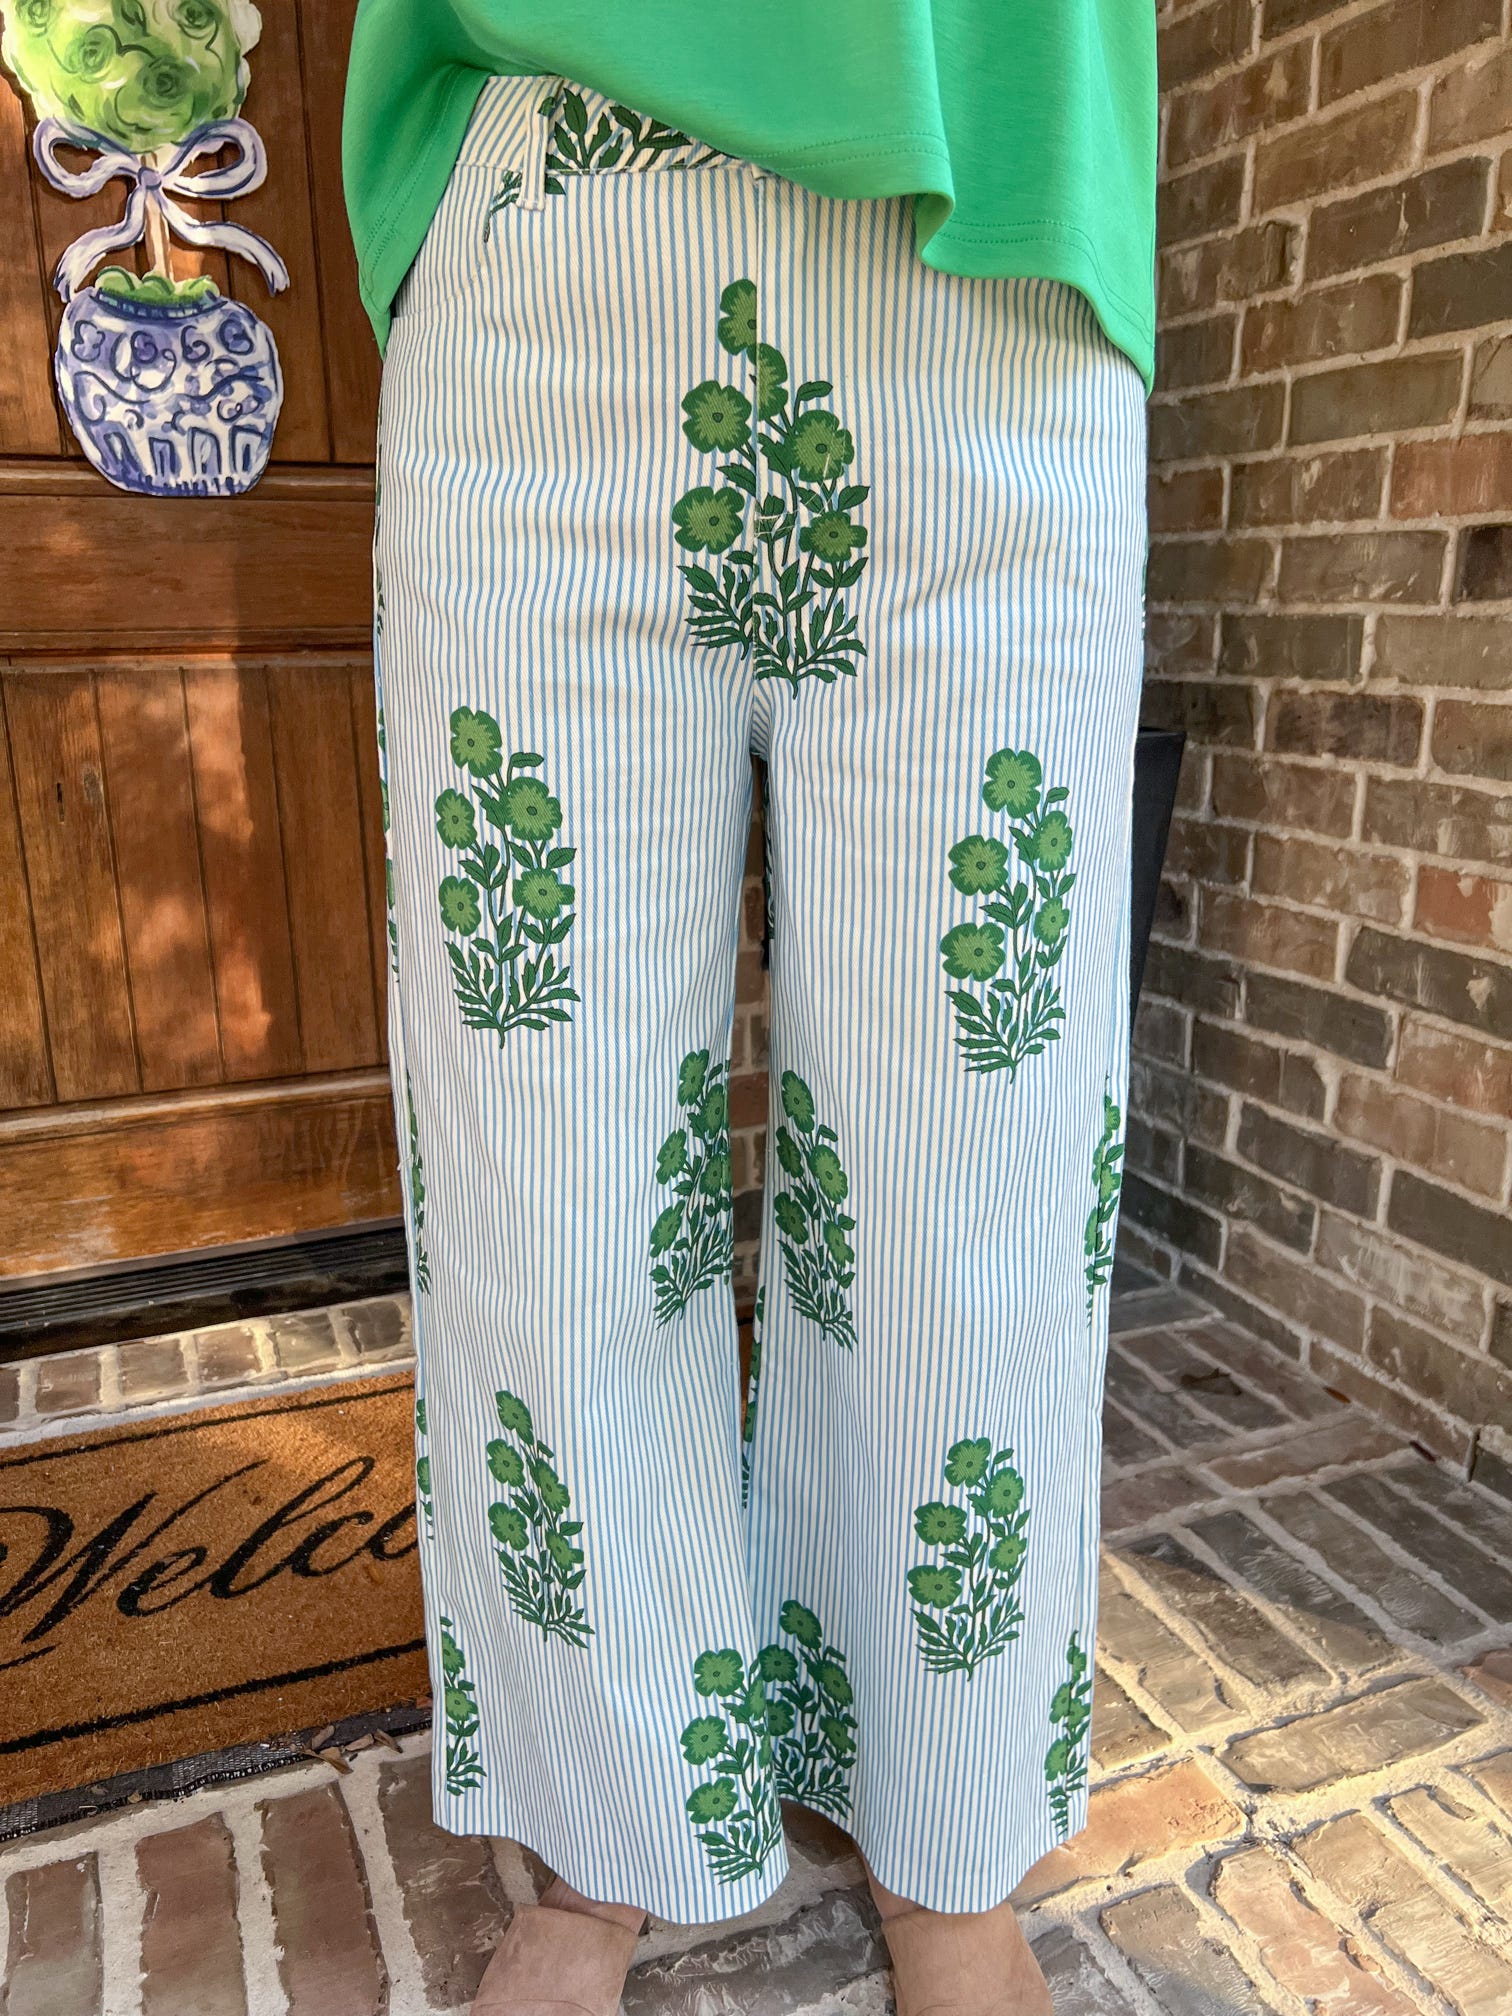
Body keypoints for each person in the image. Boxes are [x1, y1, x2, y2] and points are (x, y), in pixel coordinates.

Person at [343, 7, 1155, 2011]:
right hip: (551, 203)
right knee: (542, 1132)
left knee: (977, 1149)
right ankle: (602, 1834)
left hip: (999, 220)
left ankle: (946, 1829)